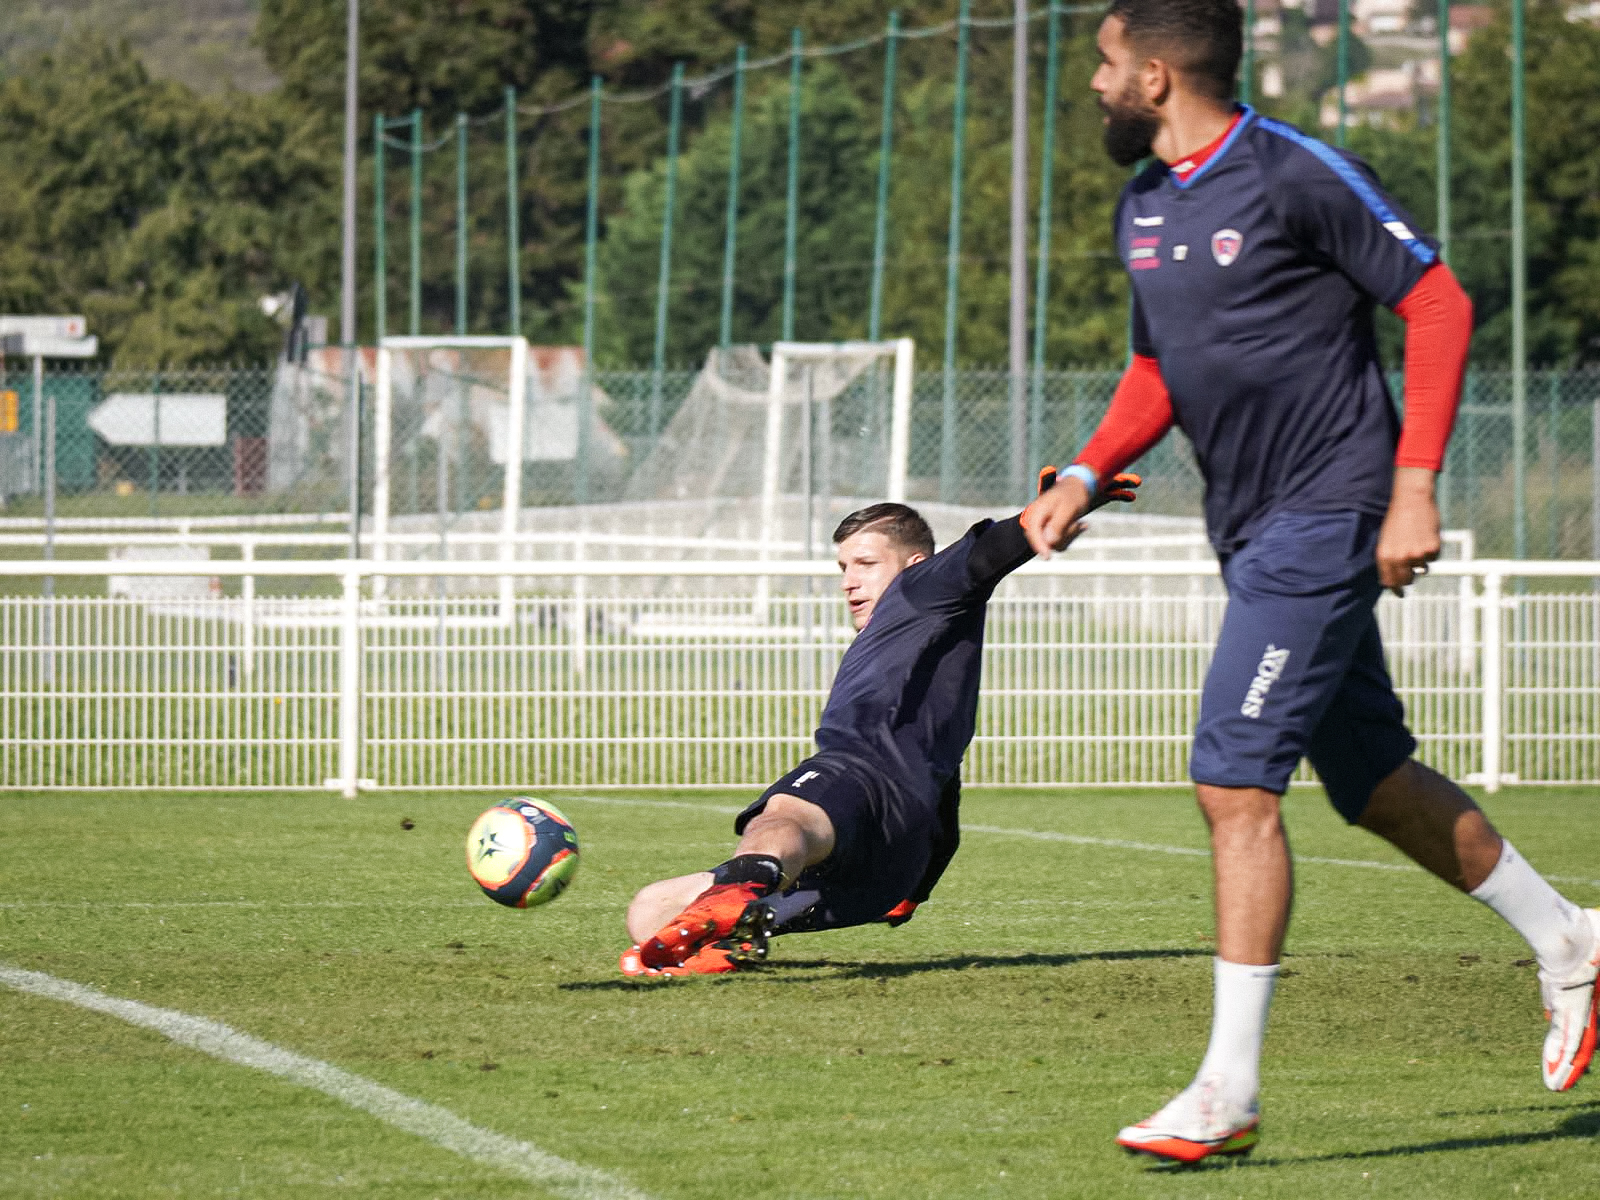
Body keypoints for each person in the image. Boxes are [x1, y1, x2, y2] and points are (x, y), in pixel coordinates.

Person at [1023, 0, 1600, 1164]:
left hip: (1329, 513)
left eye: (1101, 63)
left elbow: (1436, 303)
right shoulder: (1143, 202)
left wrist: (1415, 488)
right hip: (1247, 530)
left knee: (1234, 778)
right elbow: (1157, 365)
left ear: (1153, 76)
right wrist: (1087, 470)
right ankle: (1574, 943)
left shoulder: (1294, 172)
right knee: (1370, 780)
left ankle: (1225, 1092)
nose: (1089, 85)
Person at [621, 473, 1140, 977]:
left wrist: (1044, 515)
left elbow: (983, 556)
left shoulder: (919, 588)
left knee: (784, 816)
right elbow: (943, 790)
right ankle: (734, 927)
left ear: (915, 563)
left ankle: (743, 891)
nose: (849, 581)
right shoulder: (924, 638)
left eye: (866, 563)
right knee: (648, 910)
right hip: (890, 868)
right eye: (843, 566)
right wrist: (916, 885)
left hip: (860, 777)